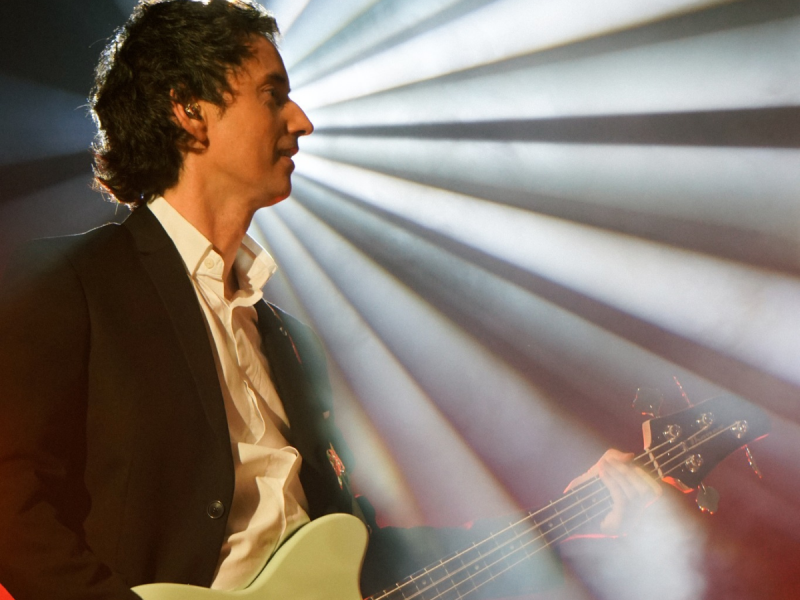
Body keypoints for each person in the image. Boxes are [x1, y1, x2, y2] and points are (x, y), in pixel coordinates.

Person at [0, 1, 660, 599]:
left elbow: (359, 552)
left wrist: (566, 519)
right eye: (273, 95)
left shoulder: (287, 341)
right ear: (189, 110)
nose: (302, 121)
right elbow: (12, 504)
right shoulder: (71, 282)